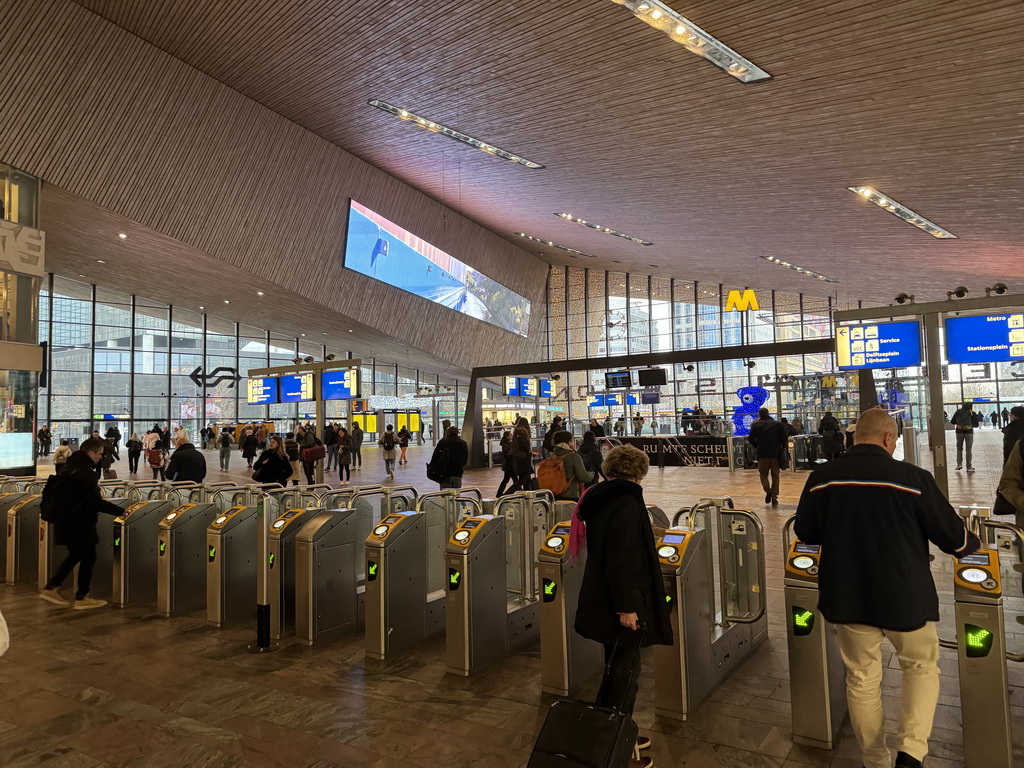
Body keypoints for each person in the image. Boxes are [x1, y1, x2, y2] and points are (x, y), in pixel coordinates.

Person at [795, 409, 980, 768]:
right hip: (906, 597)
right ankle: (911, 753)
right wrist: (973, 545)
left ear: (853, 437)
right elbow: (953, 538)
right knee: (920, 669)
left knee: (862, 679)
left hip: (848, 595)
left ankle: (874, 759)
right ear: (888, 439)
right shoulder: (912, 478)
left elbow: (806, 531)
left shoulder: (822, 478)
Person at [573, 445, 671, 765]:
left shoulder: (602, 496)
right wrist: (628, 608)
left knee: (616, 667)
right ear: (638, 473)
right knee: (625, 676)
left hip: (603, 596)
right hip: (622, 603)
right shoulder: (627, 501)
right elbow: (623, 557)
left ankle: (613, 729)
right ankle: (617, 745)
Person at [39, 438, 126, 610]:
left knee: (76, 555)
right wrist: (121, 511)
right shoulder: (86, 473)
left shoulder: (69, 467)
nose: (101, 457)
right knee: (88, 556)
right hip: (80, 523)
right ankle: (82, 596)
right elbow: (94, 502)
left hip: (65, 520)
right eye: (100, 454)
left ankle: (53, 587)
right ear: (91, 453)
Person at [747, 407, 788, 507]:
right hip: (775, 454)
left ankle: (767, 490)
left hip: (762, 454)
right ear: (768, 413)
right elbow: (784, 438)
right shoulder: (778, 424)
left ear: (759, 414)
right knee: (775, 475)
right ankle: (774, 495)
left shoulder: (755, 425)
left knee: (763, 474)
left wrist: (758, 446)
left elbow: (751, 439)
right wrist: (783, 448)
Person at [548, 430, 594, 501]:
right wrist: (592, 474)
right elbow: (584, 477)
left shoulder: (551, 456)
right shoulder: (574, 457)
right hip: (571, 495)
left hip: (554, 495)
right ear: (568, 442)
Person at [950, 402, 977, 472]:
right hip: (969, 432)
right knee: (968, 449)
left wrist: (959, 423)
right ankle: (969, 467)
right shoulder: (972, 413)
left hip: (959, 432)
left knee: (959, 448)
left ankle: (959, 464)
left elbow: (952, 421)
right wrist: (971, 425)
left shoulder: (958, 412)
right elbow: (976, 424)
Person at [509, 417, 534, 492]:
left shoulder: (518, 431)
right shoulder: (522, 431)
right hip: (523, 458)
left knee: (526, 479)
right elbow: (523, 443)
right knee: (523, 479)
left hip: (520, 457)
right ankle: (506, 495)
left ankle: (528, 495)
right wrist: (528, 450)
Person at [496, 431, 516, 497]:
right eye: (510, 435)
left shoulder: (507, 444)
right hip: (510, 465)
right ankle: (517, 492)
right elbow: (507, 454)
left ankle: (499, 493)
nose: (511, 436)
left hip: (509, 465)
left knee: (507, 479)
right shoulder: (506, 445)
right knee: (515, 480)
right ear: (507, 437)